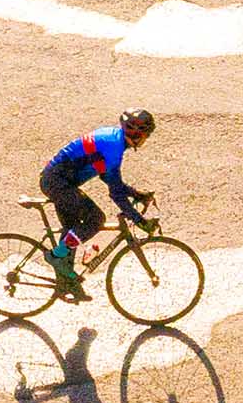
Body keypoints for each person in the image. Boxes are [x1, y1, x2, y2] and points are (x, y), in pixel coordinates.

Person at [40, 109, 157, 300]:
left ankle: (67, 284)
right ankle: (55, 256)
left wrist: (137, 194)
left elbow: (109, 178)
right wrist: (140, 220)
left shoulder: (115, 139)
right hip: (57, 183)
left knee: (74, 230)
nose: (146, 139)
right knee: (95, 219)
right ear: (136, 133)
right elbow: (116, 192)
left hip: (59, 180)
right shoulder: (114, 148)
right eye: (146, 135)